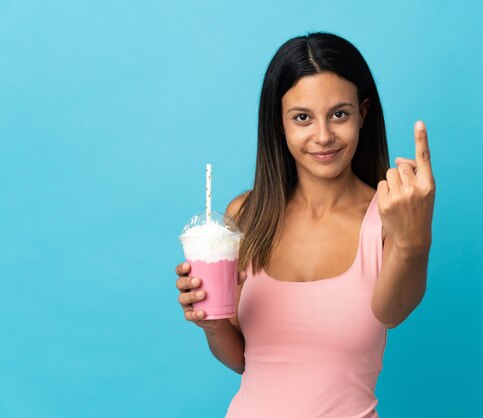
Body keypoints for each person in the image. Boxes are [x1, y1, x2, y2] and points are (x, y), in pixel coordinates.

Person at [175, 32, 435, 417]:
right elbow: (245, 359)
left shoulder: (388, 214)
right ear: (279, 122)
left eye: (339, 114)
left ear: (363, 113)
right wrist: (210, 323)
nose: (323, 135)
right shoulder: (248, 214)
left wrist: (415, 239)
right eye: (302, 118)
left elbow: (393, 311)